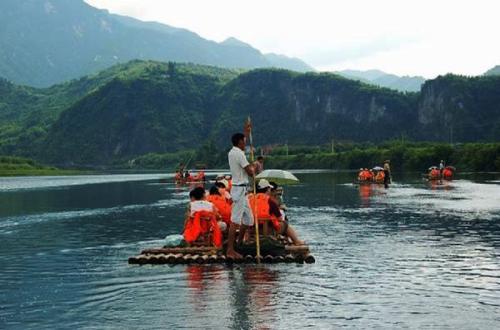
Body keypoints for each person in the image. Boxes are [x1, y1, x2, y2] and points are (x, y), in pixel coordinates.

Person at [249, 179, 304, 245]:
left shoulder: (249, 200)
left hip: (252, 230)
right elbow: (280, 218)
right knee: (285, 225)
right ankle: (296, 241)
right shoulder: (270, 201)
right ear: (268, 189)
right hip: (267, 231)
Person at [226, 133, 255, 259]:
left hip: (242, 190)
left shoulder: (232, 152)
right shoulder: (239, 154)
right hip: (239, 190)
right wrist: (253, 167)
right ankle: (230, 250)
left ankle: (238, 243)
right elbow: (250, 172)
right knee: (235, 221)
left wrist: (246, 130)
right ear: (239, 142)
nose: (245, 143)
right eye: (244, 141)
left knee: (249, 220)